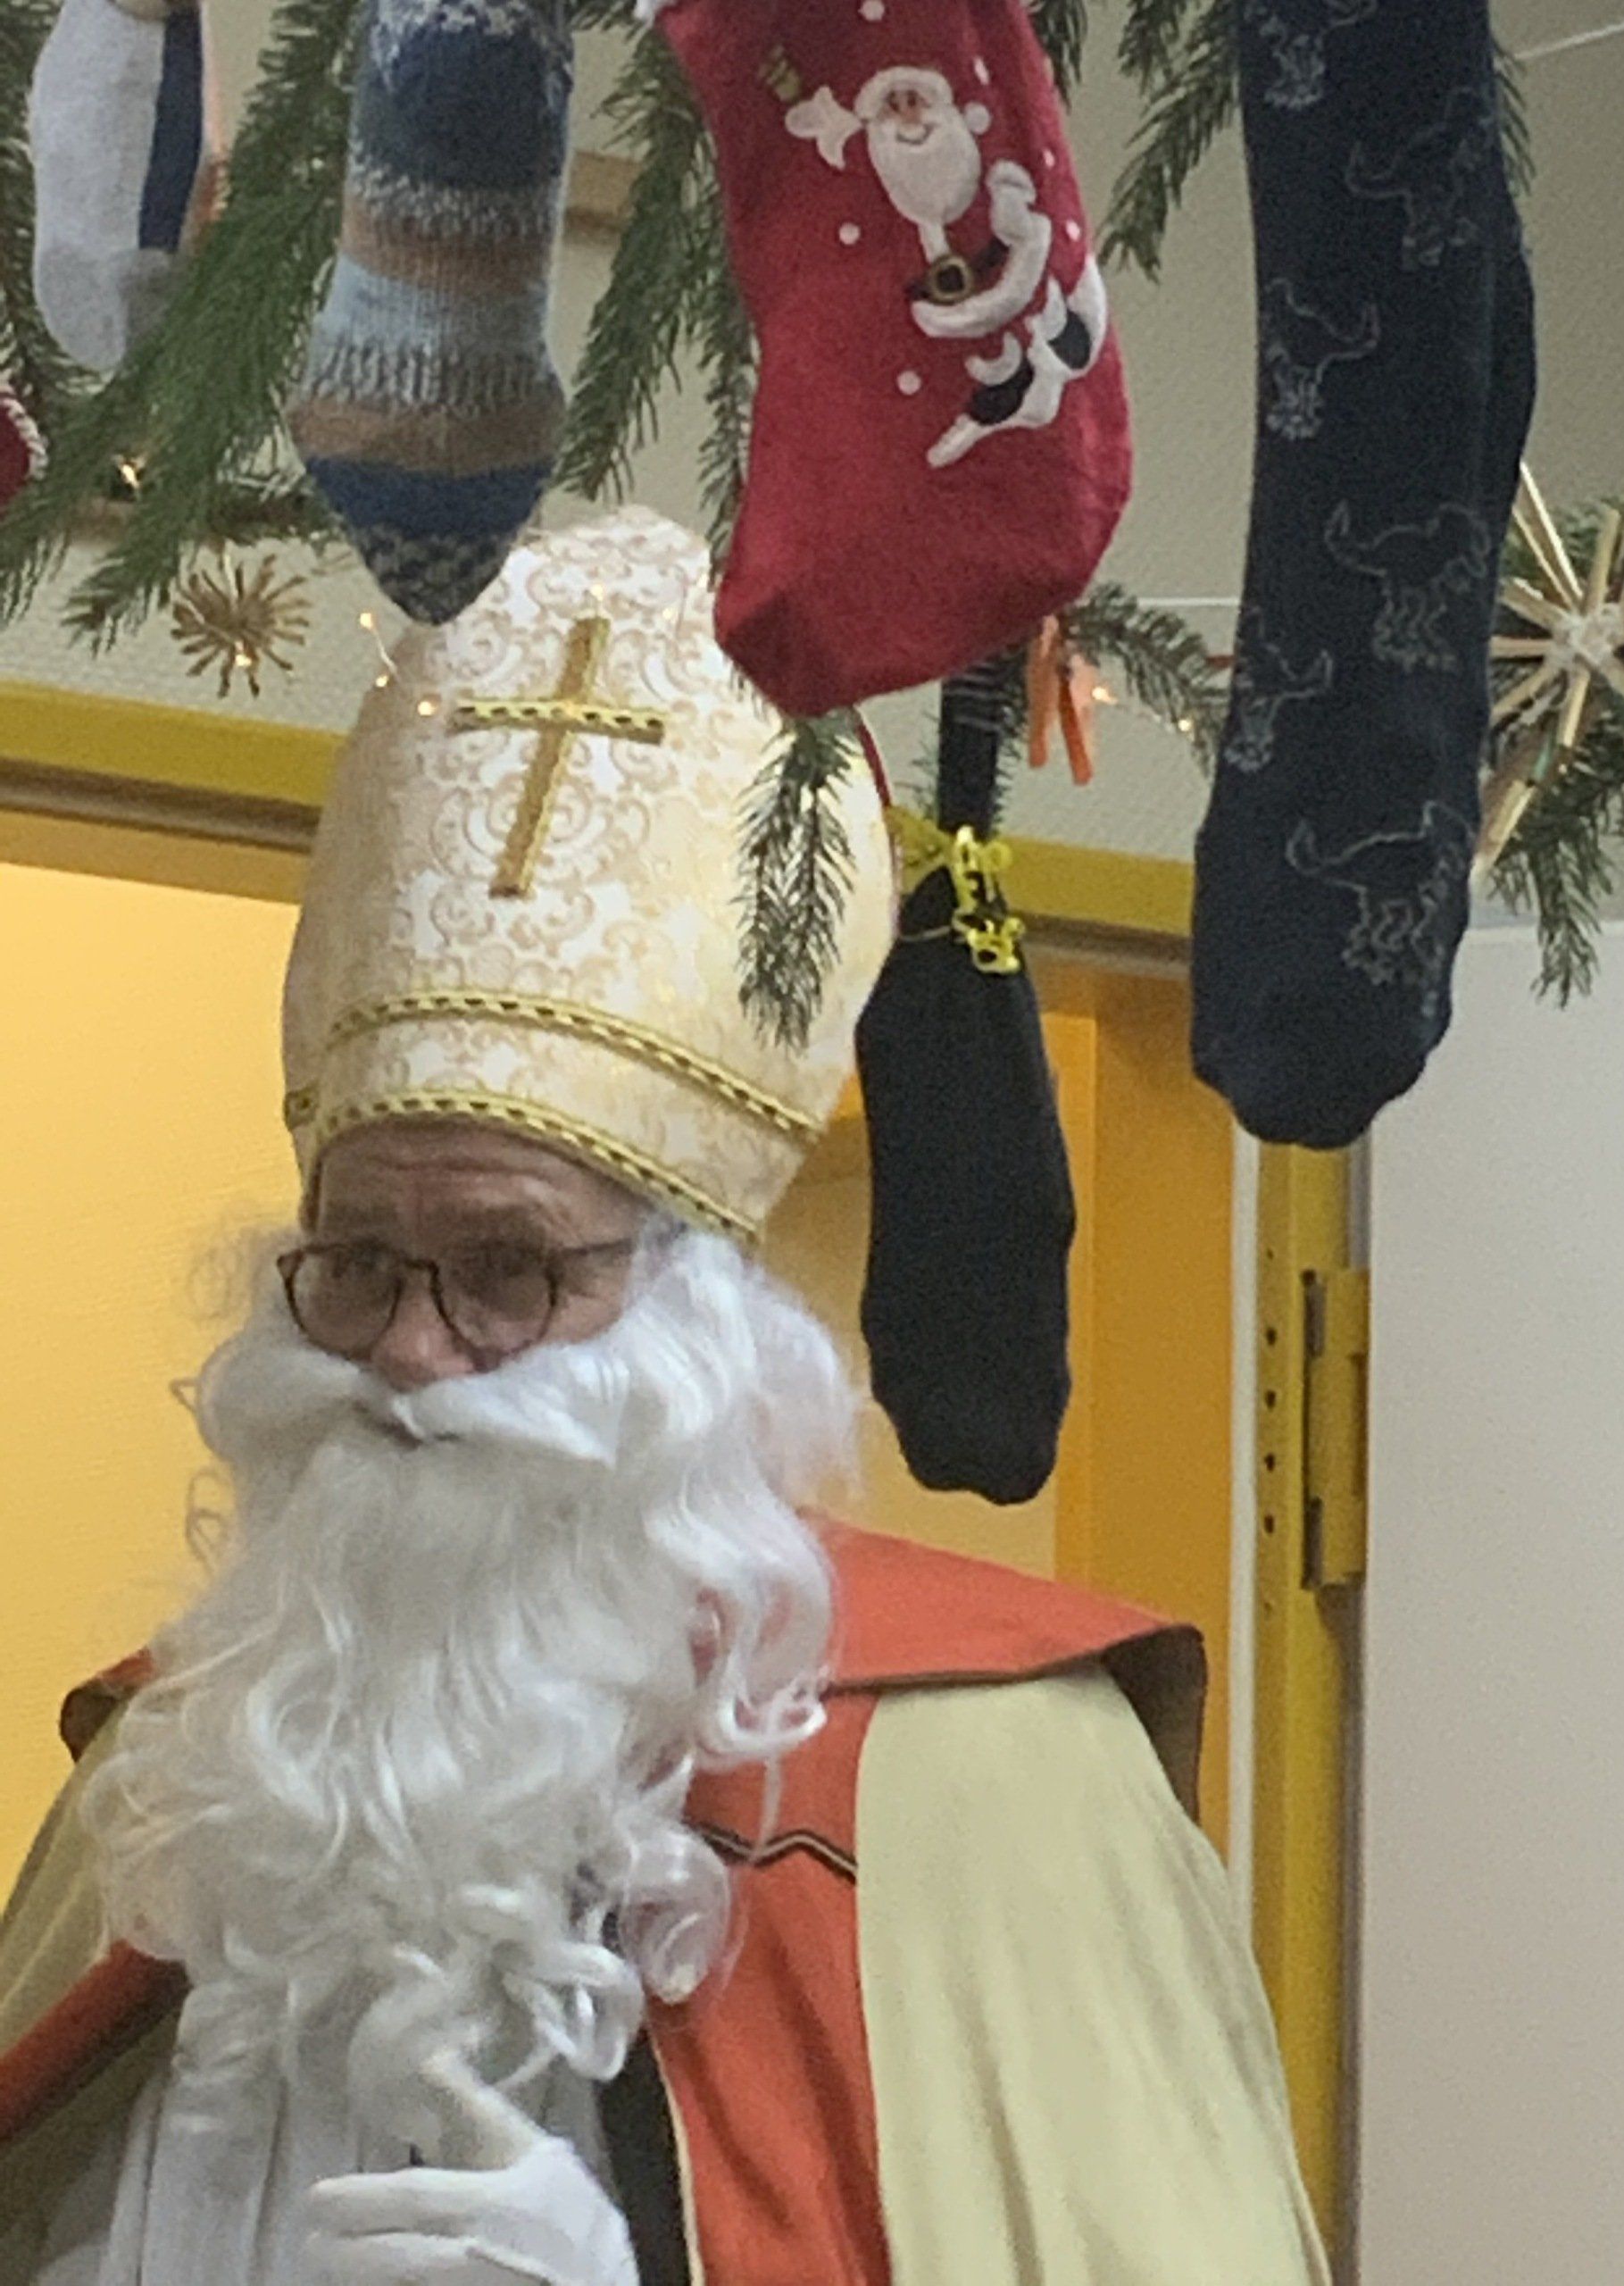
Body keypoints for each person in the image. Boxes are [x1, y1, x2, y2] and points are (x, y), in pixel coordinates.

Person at [0, 508, 1328, 2285]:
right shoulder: (181, 1771)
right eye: (361, 1262)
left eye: (510, 1270)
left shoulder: (990, 1776)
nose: (411, 1352)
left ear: (700, 1322)